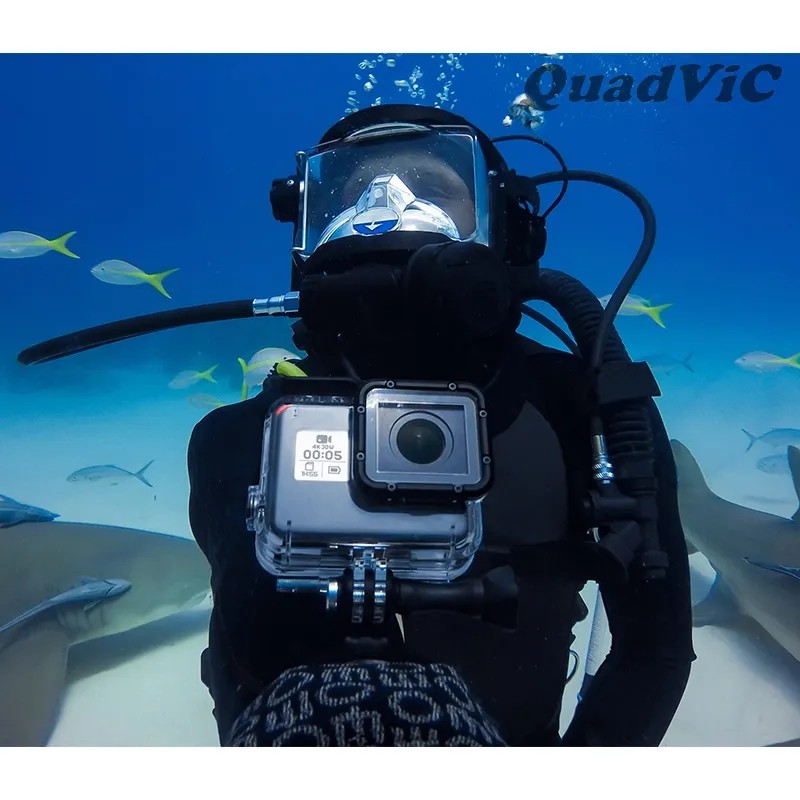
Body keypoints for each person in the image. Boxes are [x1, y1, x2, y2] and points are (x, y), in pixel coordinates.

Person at [187, 104, 696, 746]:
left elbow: (654, 650)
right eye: (349, 194)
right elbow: (229, 654)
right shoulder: (233, 439)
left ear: (508, 230)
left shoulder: (586, 411)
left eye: (432, 188)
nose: (385, 205)